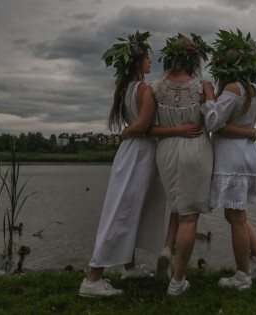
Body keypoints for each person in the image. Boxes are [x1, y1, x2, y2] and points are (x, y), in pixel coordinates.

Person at [79, 31, 168, 297]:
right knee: (122, 210)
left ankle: (128, 267)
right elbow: (143, 126)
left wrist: (126, 133)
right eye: (148, 58)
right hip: (139, 154)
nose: (151, 63)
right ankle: (93, 280)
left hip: (131, 153)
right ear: (138, 62)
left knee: (132, 208)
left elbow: (135, 124)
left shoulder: (126, 89)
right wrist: (127, 132)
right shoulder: (144, 89)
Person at [201, 29, 256, 290]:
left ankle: (243, 275)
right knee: (236, 216)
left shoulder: (232, 89)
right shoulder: (254, 91)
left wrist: (209, 95)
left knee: (235, 216)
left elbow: (213, 122)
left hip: (231, 156)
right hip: (246, 154)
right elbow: (238, 126)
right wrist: (249, 133)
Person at [149, 33, 214, 296]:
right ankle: (177, 282)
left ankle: (167, 249)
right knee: (189, 216)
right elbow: (213, 122)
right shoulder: (203, 86)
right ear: (194, 58)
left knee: (176, 204)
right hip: (196, 148)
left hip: (166, 151)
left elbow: (147, 129)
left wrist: (173, 129)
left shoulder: (154, 88)